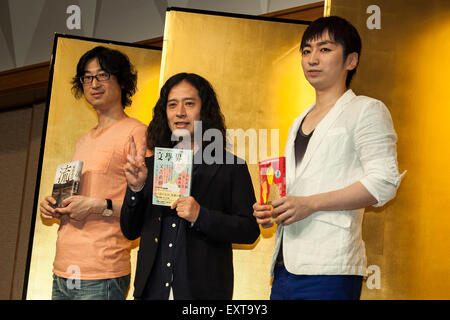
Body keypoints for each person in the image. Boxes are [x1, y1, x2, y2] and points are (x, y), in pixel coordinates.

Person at [253, 16, 404, 300]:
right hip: (284, 267)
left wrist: (311, 204)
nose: (312, 59)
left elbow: (384, 182)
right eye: (306, 51)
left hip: (330, 268)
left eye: (324, 49)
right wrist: (271, 211)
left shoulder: (366, 110)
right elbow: (298, 193)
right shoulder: (298, 120)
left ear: (351, 60)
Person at [120, 72, 260, 300]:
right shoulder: (151, 165)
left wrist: (200, 216)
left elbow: (249, 230)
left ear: (205, 110)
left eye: (189, 104)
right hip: (152, 293)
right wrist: (135, 189)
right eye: (172, 105)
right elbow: (130, 230)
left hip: (204, 295)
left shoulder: (230, 166)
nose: (180, 112)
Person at [39, 46, 147, 300]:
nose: (94, 83)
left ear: (121, 80)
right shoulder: (83, 140)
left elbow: (144, 208)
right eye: (87, 77)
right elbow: (79, 195)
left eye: (103, 75)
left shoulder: (137, 133)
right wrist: (53, 205)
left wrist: (97, 205)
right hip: (63, 268)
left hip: (103, 270)